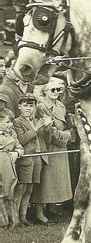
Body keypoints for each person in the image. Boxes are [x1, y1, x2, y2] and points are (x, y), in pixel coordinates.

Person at [31, 77, 73, 223]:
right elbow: (48, 129)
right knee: (46, 179)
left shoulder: (61, 105)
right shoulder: (41, 106)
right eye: (52, 90)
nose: (56, 92)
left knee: (57, 179)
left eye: (58, 89)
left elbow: (67, 124)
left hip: (60, 145)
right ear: (45, 91)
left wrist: (67, 134)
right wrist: (66, 136)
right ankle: (38, 212)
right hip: (49, 145)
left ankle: (52, 208)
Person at [13, 93, 50, 226]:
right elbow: (21, 140)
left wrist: (46, 128)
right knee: (21, 188)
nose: (28, 108)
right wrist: (36, 129)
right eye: (25, 105)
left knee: (30, 189)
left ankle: (23, 218)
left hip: (37, 158)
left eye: (31, 105)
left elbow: (45, 139)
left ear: (35, 107)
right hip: (26, 159)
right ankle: (15, 219)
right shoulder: (17, 122)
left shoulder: (36, 121)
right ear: (19, 106)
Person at [0, 108, 23, 229]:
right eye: (7, 122)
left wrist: (16, 153)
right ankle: (3, 223)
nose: (10, 125)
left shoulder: (12, 134)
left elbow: (20, 147)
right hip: (0, 167)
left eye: (11, 122)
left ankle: (14, 222)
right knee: (1, 195)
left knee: (11, 193)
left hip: (9, 168)